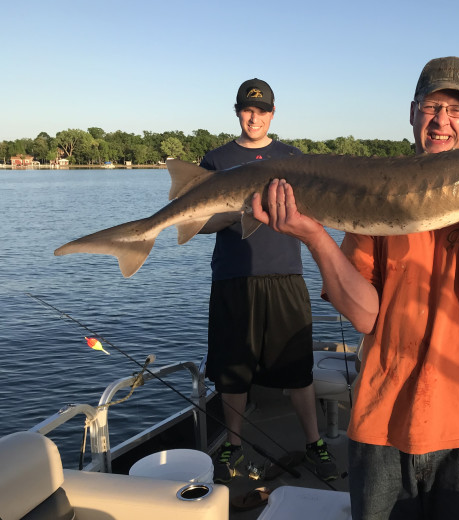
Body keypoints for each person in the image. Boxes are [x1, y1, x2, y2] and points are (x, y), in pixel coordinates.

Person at [252, 57, 459, 518]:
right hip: (383, 425)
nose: (442, 121)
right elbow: (364, 316)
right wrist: (312, 234)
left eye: (457, 110)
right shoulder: (379, 197)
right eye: (432, 106)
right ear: (413, 112)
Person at [200, 78, 338, 483]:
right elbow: (201, 224)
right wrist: (238, 209)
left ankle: (315, 442)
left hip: (285, 276)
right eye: (247, 109)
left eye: (261, 110)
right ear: (237, 111)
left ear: (272, 114)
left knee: (297, 369)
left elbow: (312, 215)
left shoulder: (293, 159)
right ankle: (234, 445)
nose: (254, 116)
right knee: (232, 372)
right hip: (233, 278)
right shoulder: (216, 160)